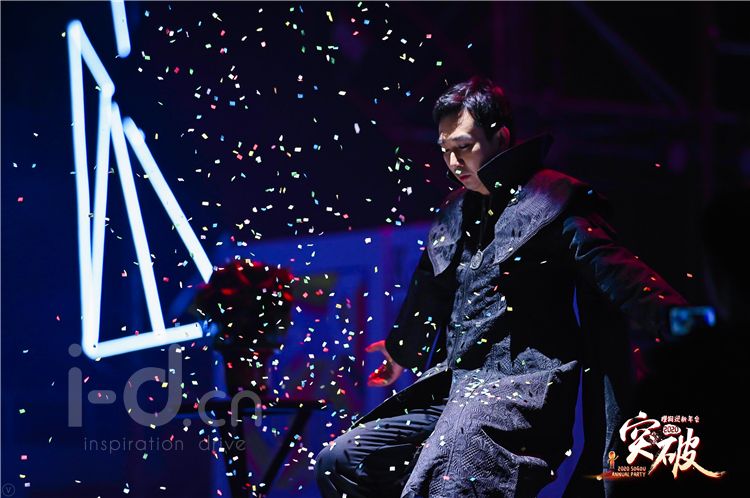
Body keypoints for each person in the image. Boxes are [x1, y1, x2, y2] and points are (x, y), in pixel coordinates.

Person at [315, 76, 688, 498]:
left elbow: (619, 274)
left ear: (501, 137)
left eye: (464, 146)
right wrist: (401, 350)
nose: (454, 162)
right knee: (343, 459)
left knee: (449, 467)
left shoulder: (551, 199)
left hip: (521, 389)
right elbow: (430, 290)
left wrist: (689, 322)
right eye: (445, 150)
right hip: (455, 388)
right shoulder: (455, 211)